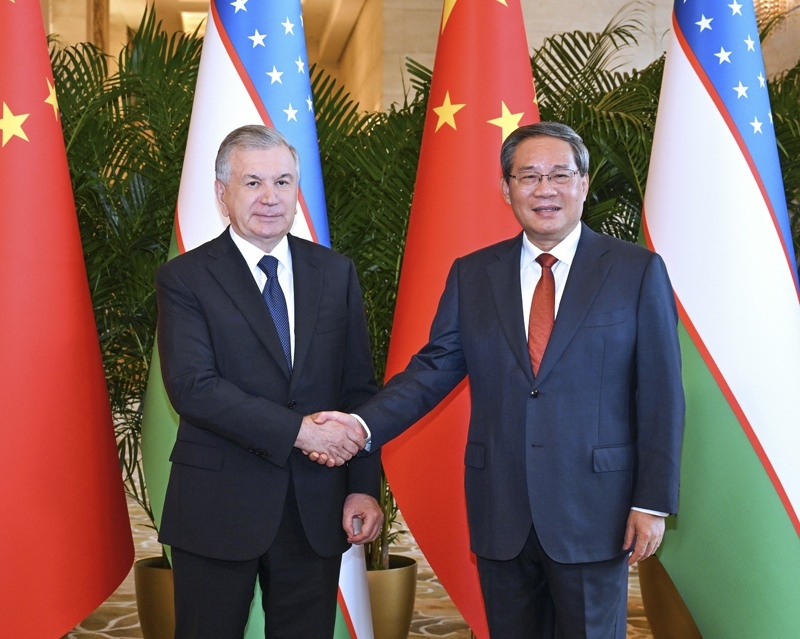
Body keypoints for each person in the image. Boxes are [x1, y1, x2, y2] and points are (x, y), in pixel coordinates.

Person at [315, 122, 685, 638]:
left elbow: (661, 395)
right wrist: (359, 425)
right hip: (501, 507)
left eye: (560, 174)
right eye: (528, 176)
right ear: (506, 189)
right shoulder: (474, 274)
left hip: (595, 508)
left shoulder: (636, 271)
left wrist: (651, 502)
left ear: (583, 183)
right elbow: (431, 371)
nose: (545, 189)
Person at [155, 124, 383, 639]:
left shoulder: (335, 273)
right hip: (218, 507)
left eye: (283, 182)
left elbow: (359, 391)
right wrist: (300, 432)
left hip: (315, 508)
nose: (270, 197)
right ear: (222, 193)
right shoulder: (186, 278)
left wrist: (362, 489)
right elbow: (193, 387)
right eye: (253, 182)